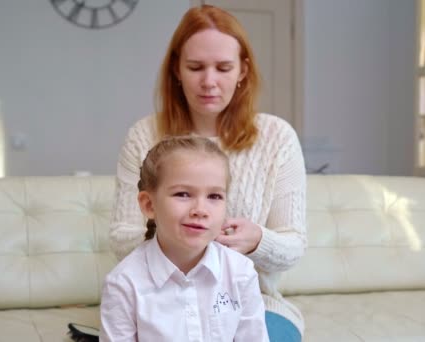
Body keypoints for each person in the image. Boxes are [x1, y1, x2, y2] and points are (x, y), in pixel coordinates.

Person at [110, 5, 307, 341]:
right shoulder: (143, 136)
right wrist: (176, 233)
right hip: (159, 301)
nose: (209, 81)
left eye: (224, 68)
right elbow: (120, 237)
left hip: (254, 304)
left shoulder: (278, 138)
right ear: (176, 68)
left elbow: (294, 245)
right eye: (195, 67)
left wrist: (257, 239)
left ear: (243, 70)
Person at [100, 136, 269, 341]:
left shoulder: (241, 272)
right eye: (183, 194)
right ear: (149, 205)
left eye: (214, 196)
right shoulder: (124, 283)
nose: (200, 210)